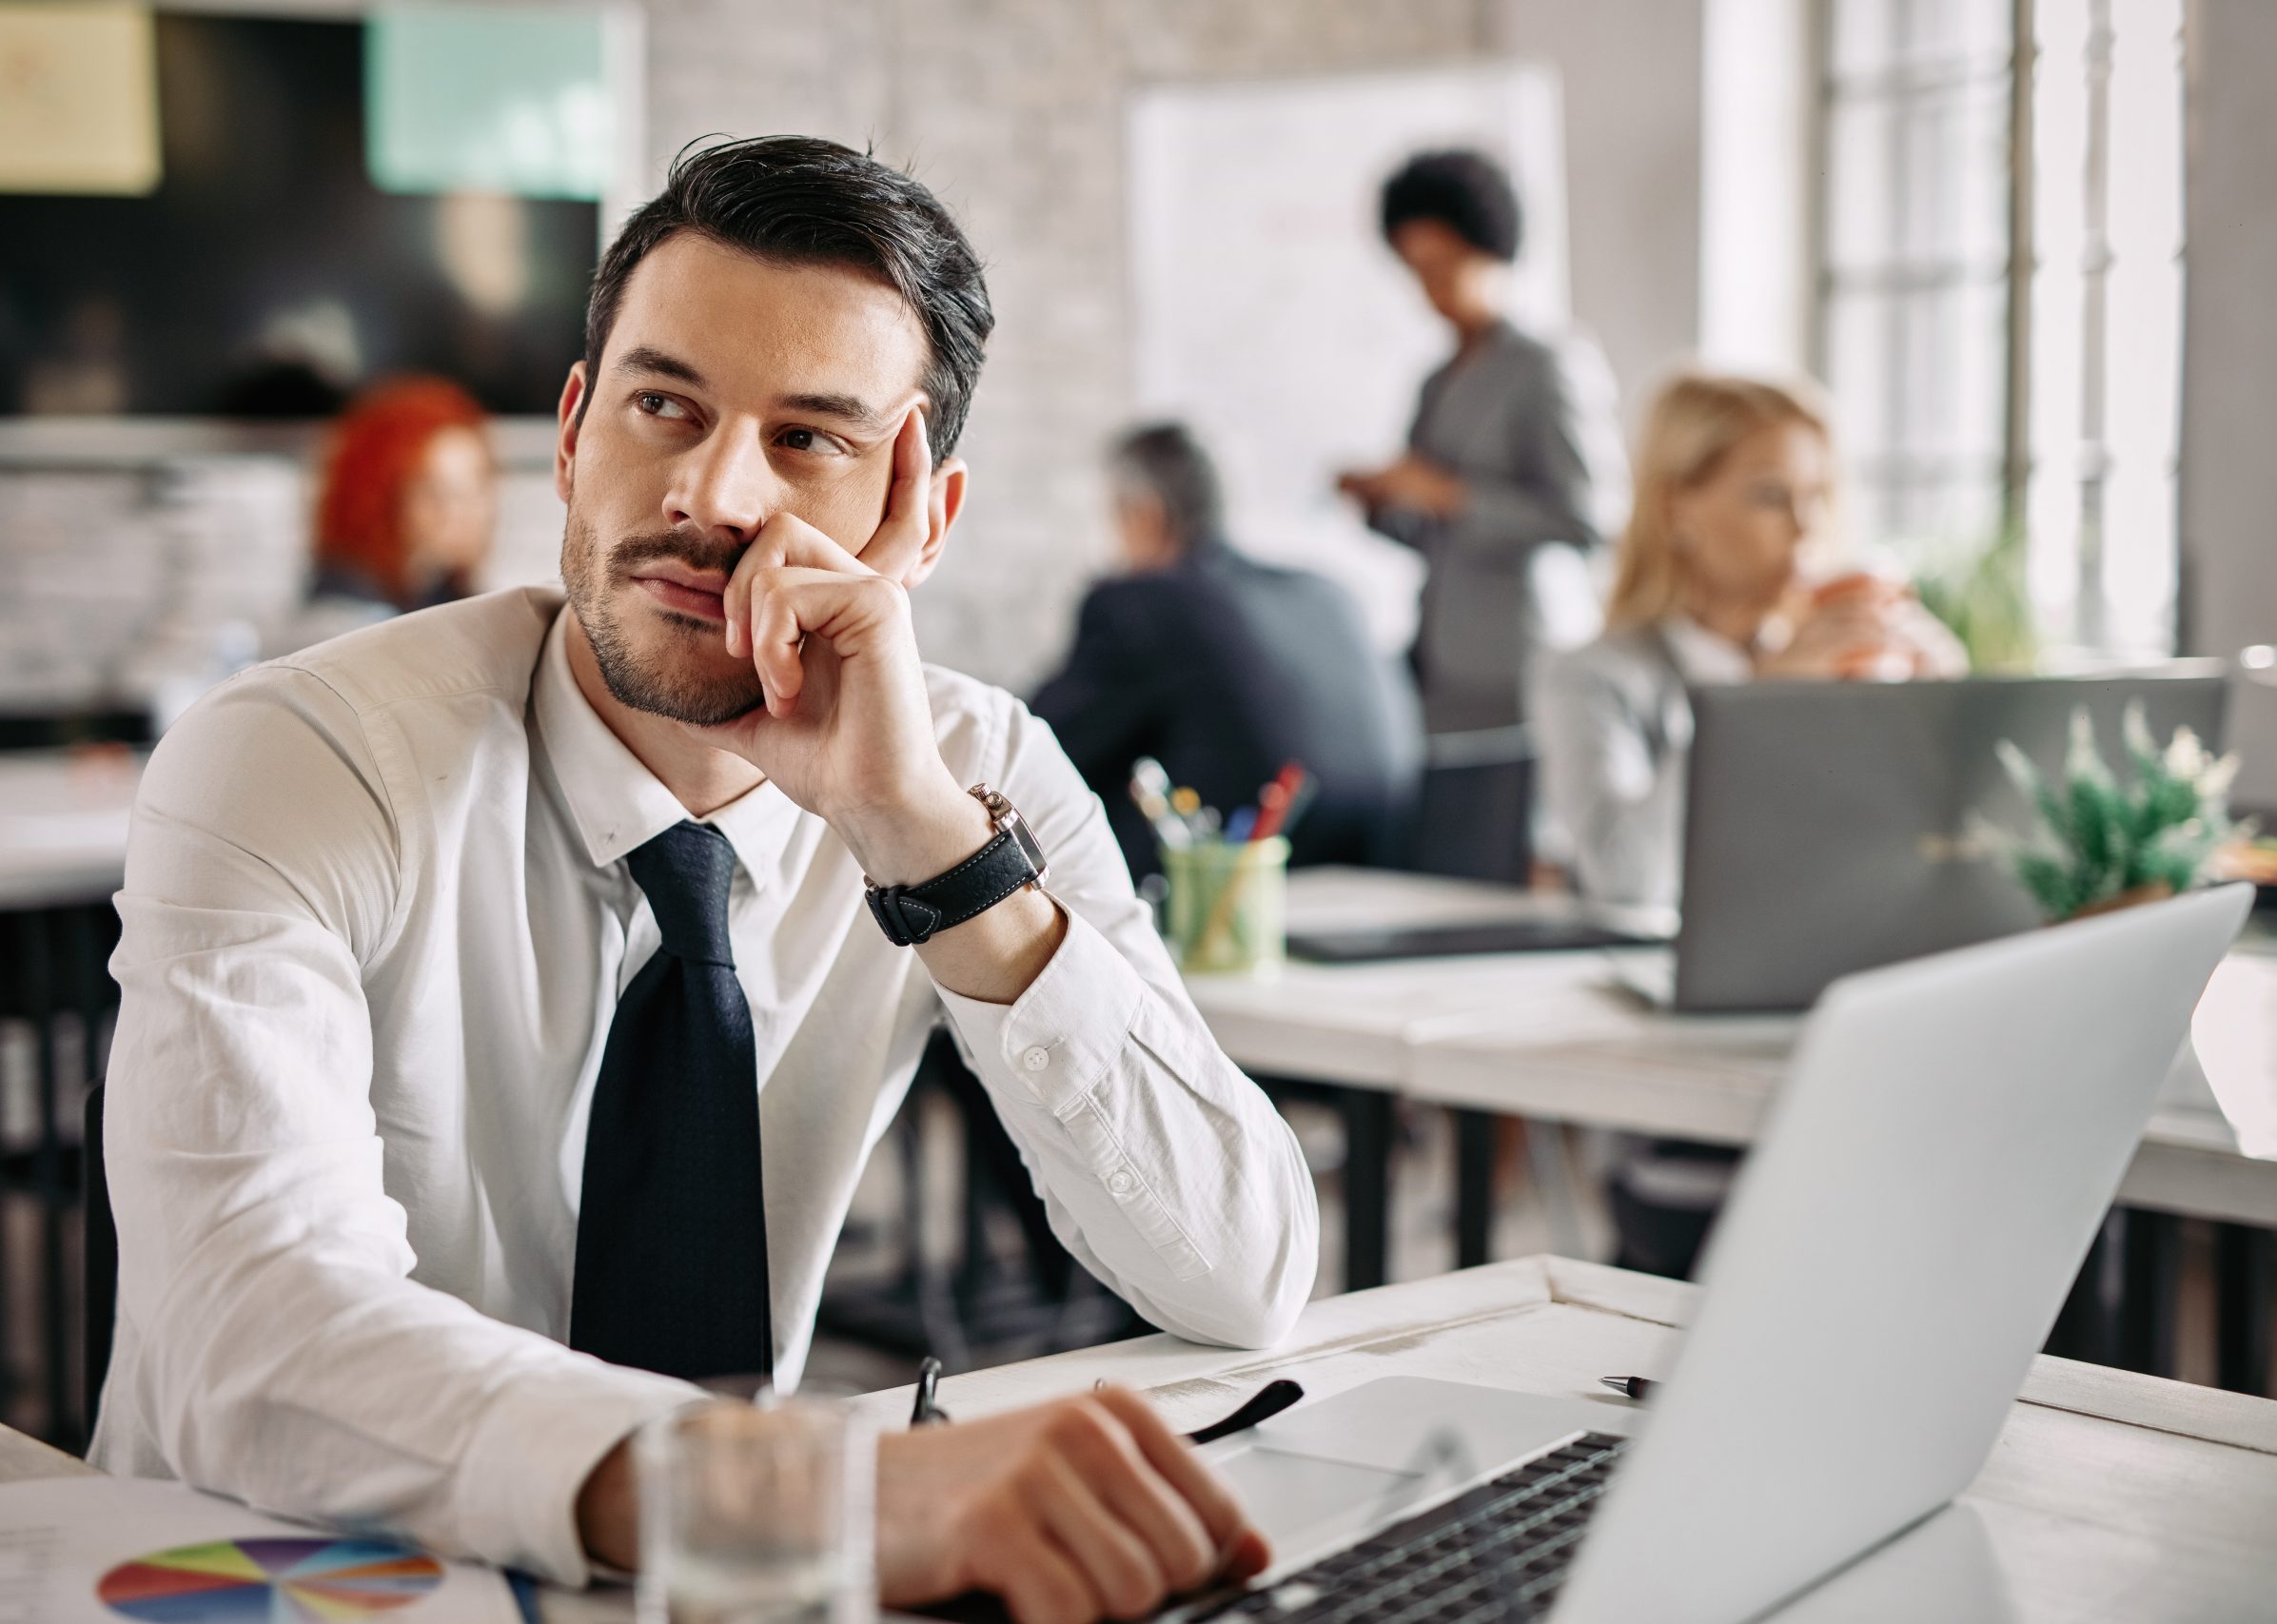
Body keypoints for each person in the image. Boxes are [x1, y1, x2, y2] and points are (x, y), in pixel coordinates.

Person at [94, 136, 1317, 1624]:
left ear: (919, 520)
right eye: (662, 403)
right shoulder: (294, 753)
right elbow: (251, 1324)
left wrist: (931, 847)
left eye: (807, 439)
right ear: (567, 433)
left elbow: (1243, 1271)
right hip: (283, 1582)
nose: (710, 490)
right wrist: (795, 1488)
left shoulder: (968, 768)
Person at [1531, 369, 1965, 913]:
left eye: (1817, 495)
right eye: (1770, 495)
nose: (1806, 527)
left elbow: (1904, 862)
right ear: (1676, 508)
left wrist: (1944, 708)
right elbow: (1626, 879)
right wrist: (1755, 708)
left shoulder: (1835, 664)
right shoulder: (1593, 675)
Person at [1336, 148, 1623, 881]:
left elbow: (1591, 516)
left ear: (1490, 250)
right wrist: (1384, 502)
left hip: (1521, 668)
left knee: (1508, 861)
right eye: (1416, 270)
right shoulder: (1437, 379)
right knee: (1447, 860)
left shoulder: (1548, 362)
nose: (1430, 289)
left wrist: (1449, 493)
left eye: (1445, 265)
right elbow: (1425, 529)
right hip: (1442, 665)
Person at [1033, 422, 1422, 878]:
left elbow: (1039, 746)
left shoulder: (1142, 602)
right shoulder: (1327, 593)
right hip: (1384, 867)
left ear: (1145, 515)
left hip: (1220, 891)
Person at [273, 376, 498, 655]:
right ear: (381, 498)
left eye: (479, 485)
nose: (469, 512)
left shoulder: (445, 594)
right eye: (437, 492)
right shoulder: (340, 623)